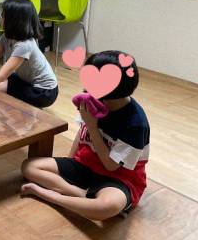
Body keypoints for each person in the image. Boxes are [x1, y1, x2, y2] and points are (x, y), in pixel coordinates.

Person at [20, 51, 150, 221]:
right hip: (85, 165)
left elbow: (111, 166)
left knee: (108, 206)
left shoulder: (135, 122)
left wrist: (92, 126)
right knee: (29, 166)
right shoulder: (95, 100)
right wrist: (69, 163)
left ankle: (52, 196)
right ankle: (81, 195)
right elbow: (81, 134)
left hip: (119, 178)